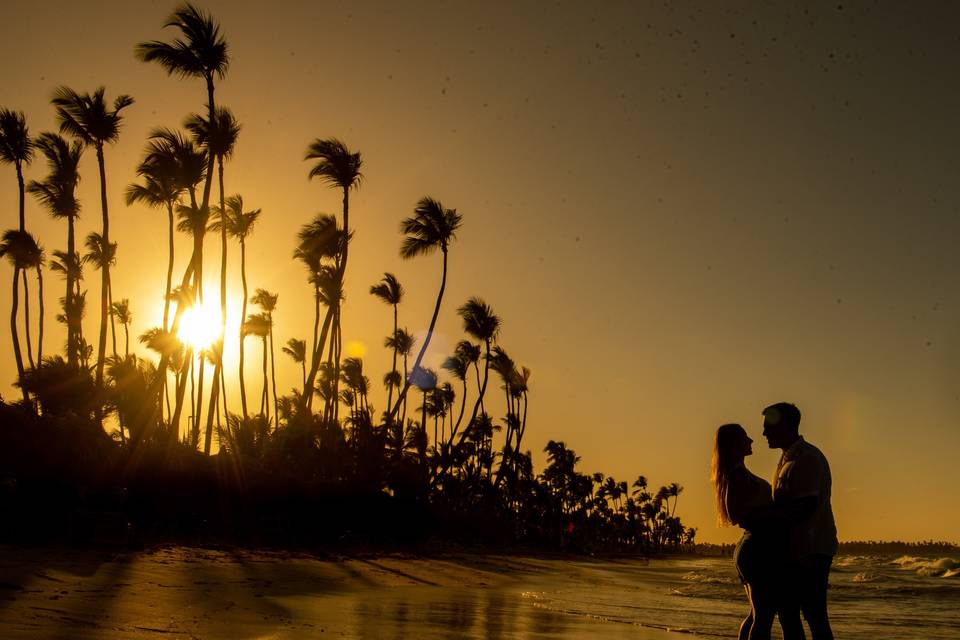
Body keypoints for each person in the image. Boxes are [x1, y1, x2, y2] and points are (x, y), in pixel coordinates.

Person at [762, 402, 838, 640]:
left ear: (784, 426)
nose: (763, 433)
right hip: (799, 551)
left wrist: (765, 520)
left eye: (768, 427)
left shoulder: (806, 458)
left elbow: (804, 509)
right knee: (790, 614)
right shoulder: (788, 457)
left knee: (813, 616)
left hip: (810, 551)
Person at [712, 423, 792, 640]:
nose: (752, 441)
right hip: (757, 549)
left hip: (757, 547)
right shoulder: (736, 475)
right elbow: (737, 515)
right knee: (763, 617)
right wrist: (775, 514)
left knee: (757, 614)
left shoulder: (739, 472)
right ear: (735, 444)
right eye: (745, 437)